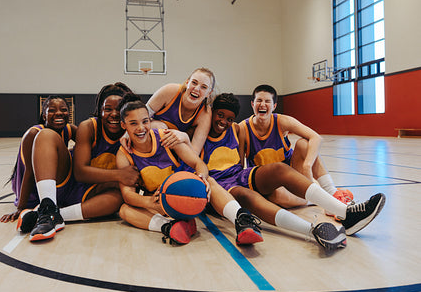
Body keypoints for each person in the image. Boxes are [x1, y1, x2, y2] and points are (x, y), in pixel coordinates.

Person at [203, 93, 385, 242]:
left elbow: (240, 162)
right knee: (250, 196)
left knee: (279, 168)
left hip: (247, 175)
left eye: (229, 118)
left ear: (274, 105)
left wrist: (306, 166)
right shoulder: (210, 132)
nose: (224, 121)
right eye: (220, 115)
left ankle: (344, 211)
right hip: (221, 185)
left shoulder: (238, 128)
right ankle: (312, 230)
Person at [115, 93, 262, 246]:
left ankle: (241, 220)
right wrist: (151, 202)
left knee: (208, 180)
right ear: (124, 125)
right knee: (125, 209)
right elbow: (127, 194)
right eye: (133, 123)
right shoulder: (124, 154)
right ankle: (170, 227)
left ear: (150, 121)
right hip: (162, 205)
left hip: (188, 196)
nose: (141, 128)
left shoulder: (165, 137)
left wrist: (201, 178)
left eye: (145, 121)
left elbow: (199, 164)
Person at [1, 85, 139, 241]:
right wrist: (119, 175)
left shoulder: (133, 132)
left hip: (89, 193)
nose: (114, 114)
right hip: (67, 181)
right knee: (46, 135)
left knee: (118, 198)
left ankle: (53, 215)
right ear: (100, 111)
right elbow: (79, 172)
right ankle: (47, 207)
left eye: (119, 109)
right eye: (107, 109)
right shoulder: (89, 127)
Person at [239, 84, 354, 215]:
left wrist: (307, 165)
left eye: (267, 101)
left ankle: (332, 193)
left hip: (292, 176)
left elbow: (316, 138)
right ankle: (318, 199)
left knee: (304, 144)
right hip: (270, 185)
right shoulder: (243, 128)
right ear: (252, 104)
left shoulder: (282, 121)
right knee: (276, 195)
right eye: (259, 100)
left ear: (274, 106)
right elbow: (239, 165)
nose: (263, 104)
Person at [122, 67, 216, 155]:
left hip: (174, 148)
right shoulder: (170, 91)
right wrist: (126, 135)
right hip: (148, 138)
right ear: (187, 82)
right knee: (161, 127)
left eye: (204, 87)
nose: (196, 89)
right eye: (194, 83)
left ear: (209, 93)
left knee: (184, 136)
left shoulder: (205, 113)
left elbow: (194, 153)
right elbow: (140, 117)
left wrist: (185, 137)